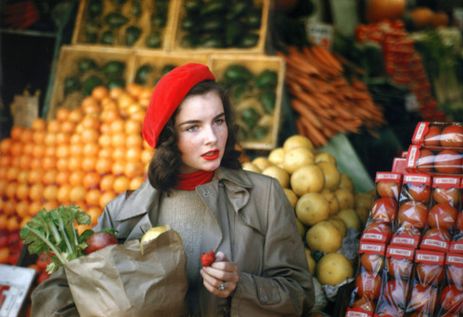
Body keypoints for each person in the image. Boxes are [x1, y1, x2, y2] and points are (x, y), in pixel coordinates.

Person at [31, 63, 315, 316]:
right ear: (169, 135)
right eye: (193, 127)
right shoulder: (123, 213)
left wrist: (241, 286)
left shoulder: (263, 197)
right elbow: (67, 288)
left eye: (218, 121)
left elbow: (300, 296)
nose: (212, 138)